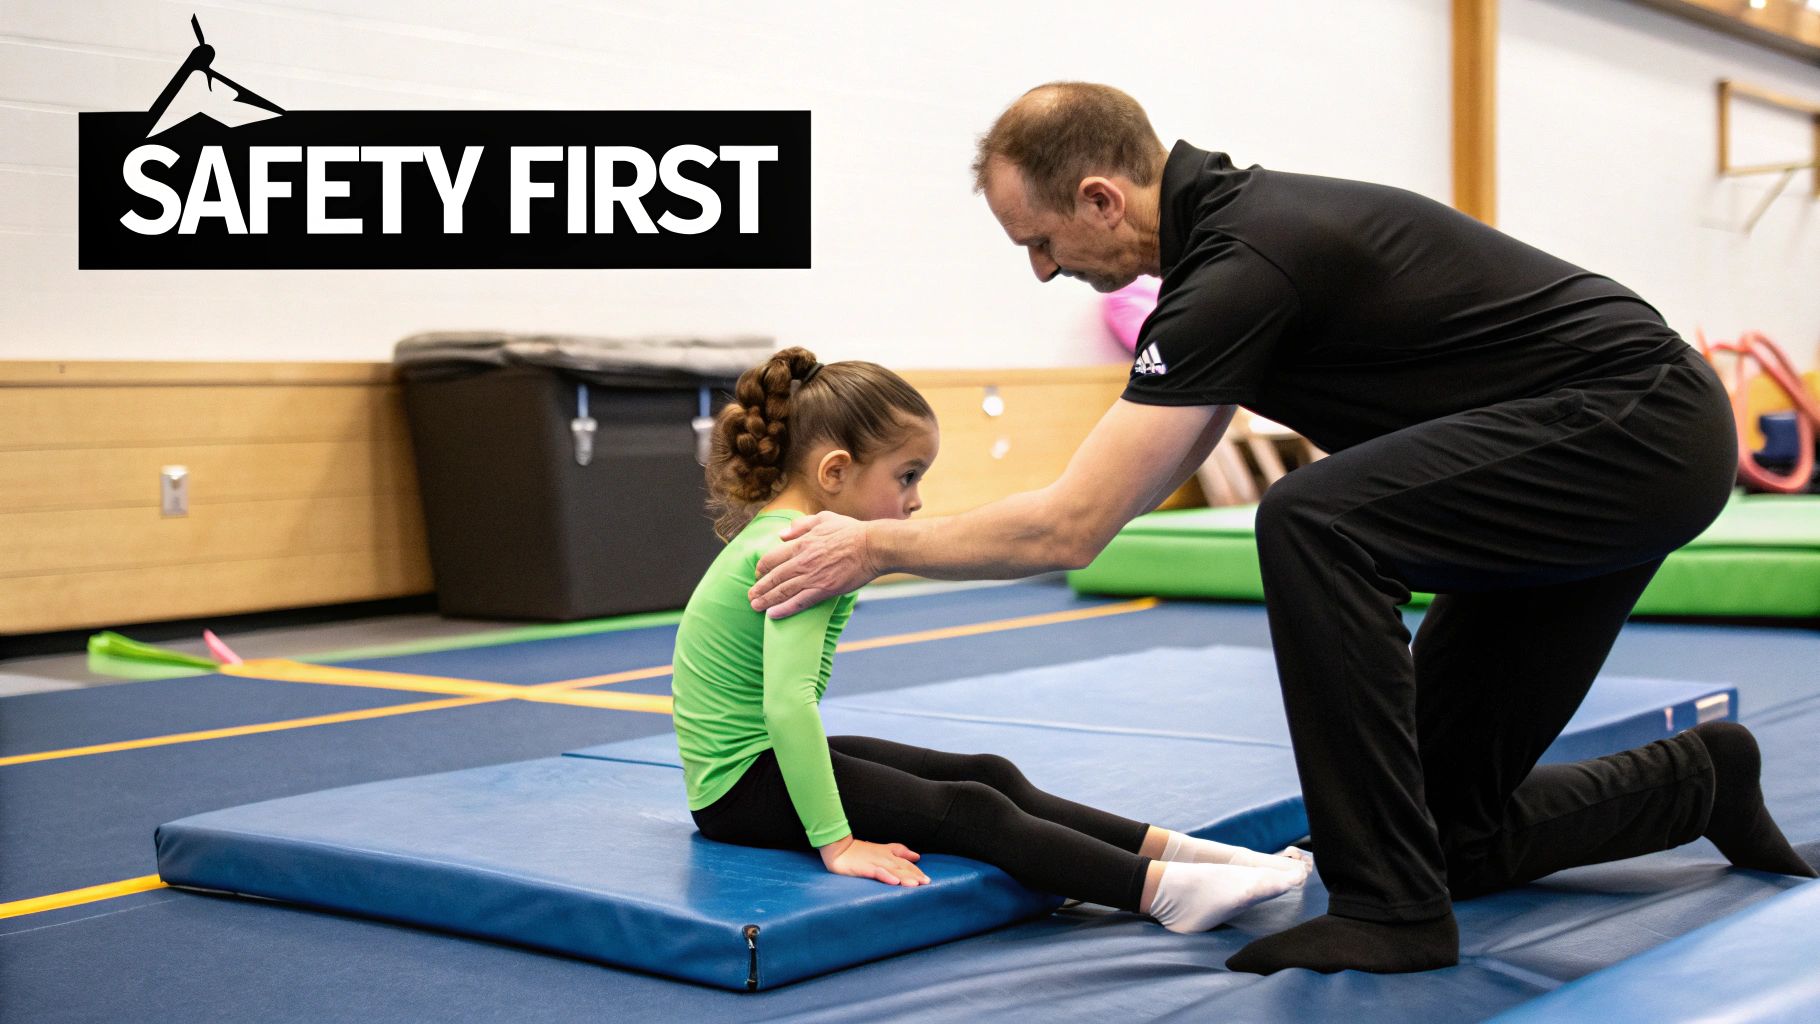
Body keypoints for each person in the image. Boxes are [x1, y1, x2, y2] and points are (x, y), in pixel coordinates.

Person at [744, 83, 1816, 975]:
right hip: (1575, 453)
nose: (1038, 268)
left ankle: (1389, 906)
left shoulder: (1241, 265)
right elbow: (1100, 499)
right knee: (1450, 828)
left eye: (1038, 241)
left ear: (1101, 197)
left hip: (1632, 425)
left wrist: (871, 543)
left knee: (1312, 520)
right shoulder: (1231, 257)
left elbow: (1070, 527)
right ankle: (1694, 780)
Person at [671, 345, 1311, 935]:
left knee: (988, 774)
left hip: (757, 765)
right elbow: (788, 705)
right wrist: (836, 841)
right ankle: (1165, 894)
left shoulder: (797, 534)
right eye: (907, 476)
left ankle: (1201, 856)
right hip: (742, 789)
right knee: (973, 810)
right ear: (835, 471)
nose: (917, 500)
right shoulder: (799, 550)